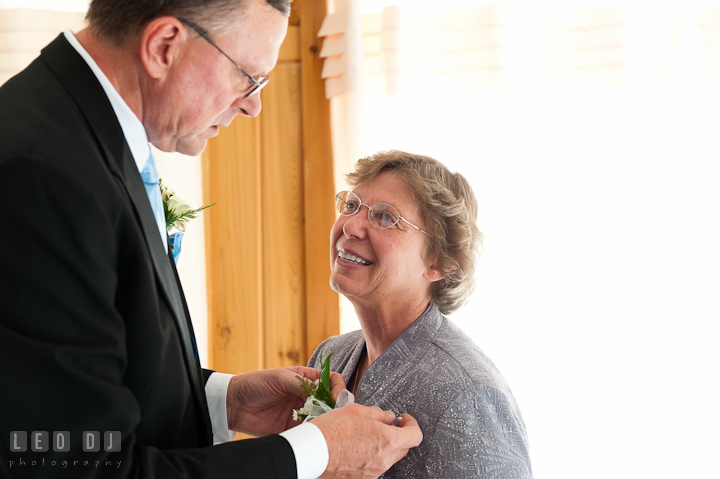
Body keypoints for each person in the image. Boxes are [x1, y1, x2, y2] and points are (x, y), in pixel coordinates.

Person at [0, 1, 422, 478]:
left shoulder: (86, 133)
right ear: (164, 46)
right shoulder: (42, 174)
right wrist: (313, 453)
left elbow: (78, 382)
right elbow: (78, 467)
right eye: (247, 76)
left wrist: (225, 400)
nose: (253, 103)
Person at [308, 150, 533, 478]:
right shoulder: (329, 356)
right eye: (352, 205)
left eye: (386, 217)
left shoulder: (470, 397)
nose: (351, 225)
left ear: (439, 263)